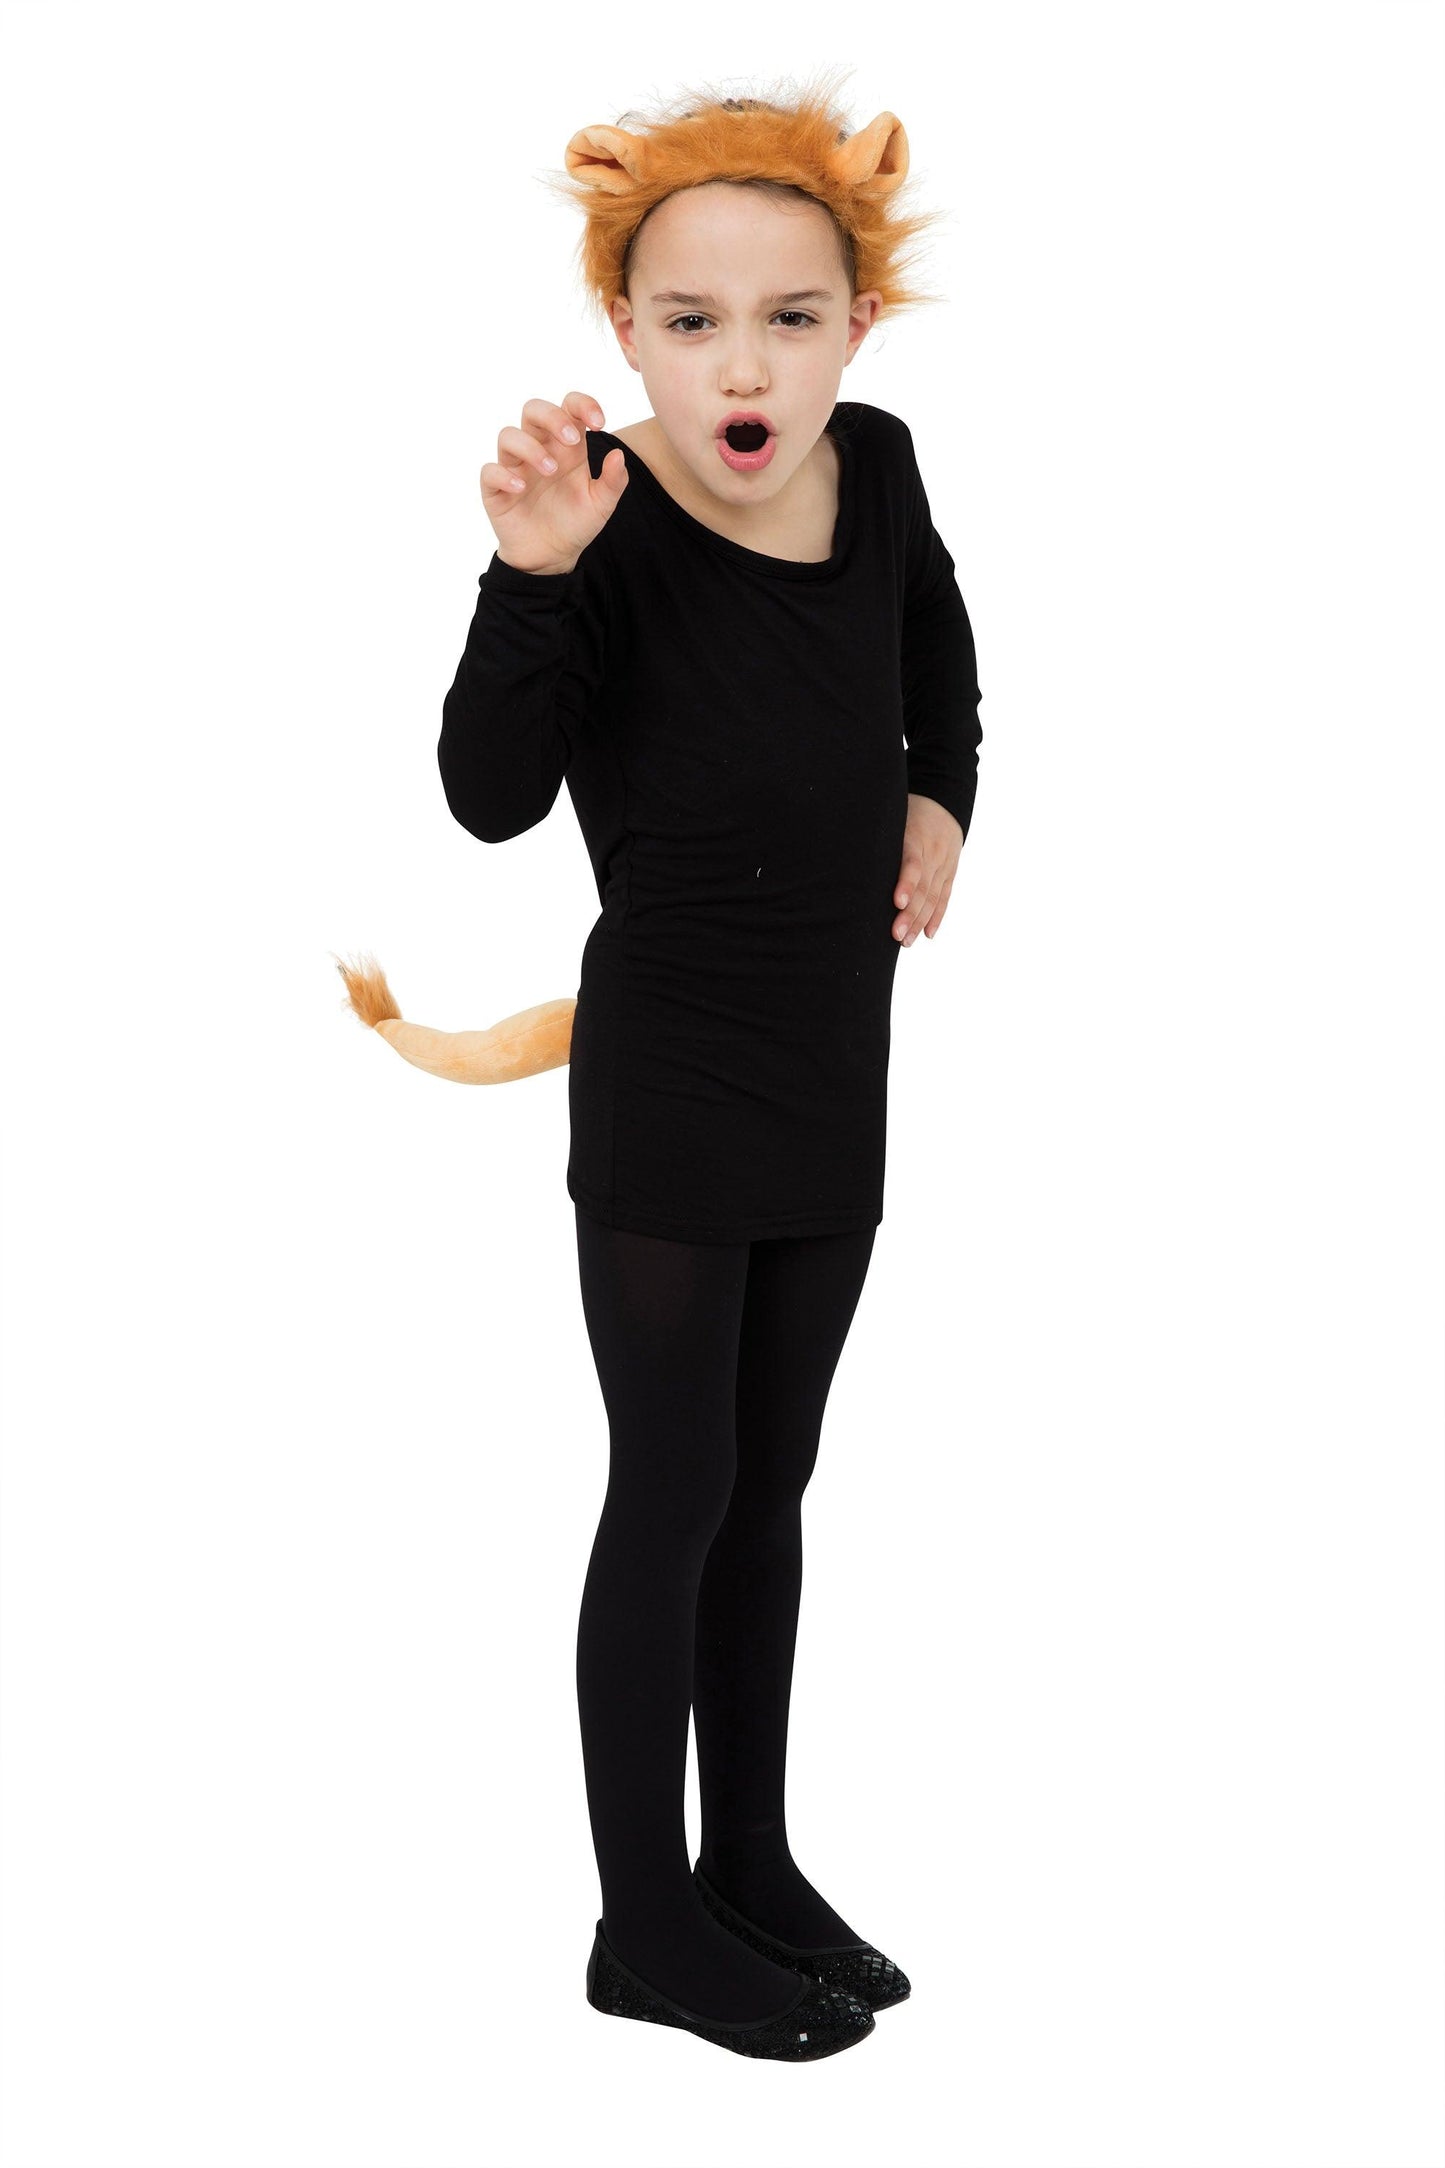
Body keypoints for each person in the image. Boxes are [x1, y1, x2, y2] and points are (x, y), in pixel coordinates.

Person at [437, 70, 983, 2061]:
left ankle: (745, 1858)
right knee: (672, 1484)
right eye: (689, 321)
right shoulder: (600, 509)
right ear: (623, 329)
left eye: (787, 317)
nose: (741, 365)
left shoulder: (883, 467)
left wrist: (940, 801)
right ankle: (644, 1917)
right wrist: (531, 577)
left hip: (834, 1059)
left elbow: (938, 651)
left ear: (857, 324)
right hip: (673, 1074)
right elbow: (489, 793)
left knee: (773, 1484)